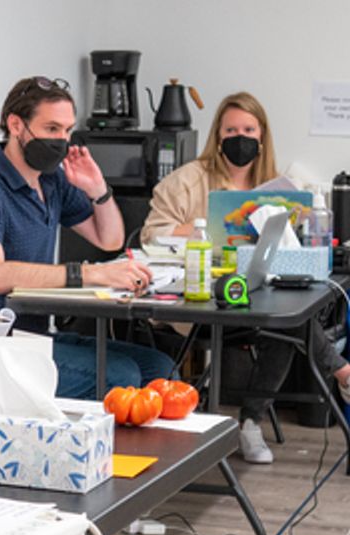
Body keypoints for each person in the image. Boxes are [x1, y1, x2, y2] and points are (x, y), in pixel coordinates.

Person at [142, 92, 350, 464]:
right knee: (289, 321)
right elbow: (151, 235)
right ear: (218, 135)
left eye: (249, 129)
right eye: (231, 129)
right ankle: (341, 373)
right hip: (199, 301)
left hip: (255, 293)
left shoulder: (274, 185)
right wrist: (207, 229)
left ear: (262, 135)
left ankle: (251, 422)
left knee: (289, 318)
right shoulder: (187, 181)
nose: (241, 137)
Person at [0, 76, 176, 403]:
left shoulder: (52, 182)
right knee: (122, 377)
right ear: (16, 125)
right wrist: (90, 273)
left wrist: (98, 189)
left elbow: (109, 239)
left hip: (33, 335)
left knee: (159, 368)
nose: (62, 140)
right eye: (52, 129)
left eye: (67, 131)